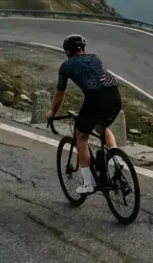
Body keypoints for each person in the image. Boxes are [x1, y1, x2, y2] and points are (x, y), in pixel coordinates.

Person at [47, 33, 122, 195]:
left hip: (95, 98)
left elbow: (60, 93)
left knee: (81, 134)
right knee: (102, 126)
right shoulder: (95, 57)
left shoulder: (66, 66)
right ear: (84, 48)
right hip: (115, 95)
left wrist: (53, 112)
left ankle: (88, 184)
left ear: (67, 52)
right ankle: (117, 159)